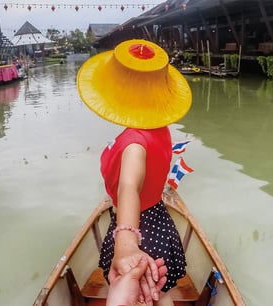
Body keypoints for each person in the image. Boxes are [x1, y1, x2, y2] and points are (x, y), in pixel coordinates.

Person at [76, 39, 192, 306]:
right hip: (159, 221)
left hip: (141, 231)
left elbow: (128, 186)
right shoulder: (158, 128)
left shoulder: (134, 144)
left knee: (142, 297)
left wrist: (126, 239)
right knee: (159, 296)